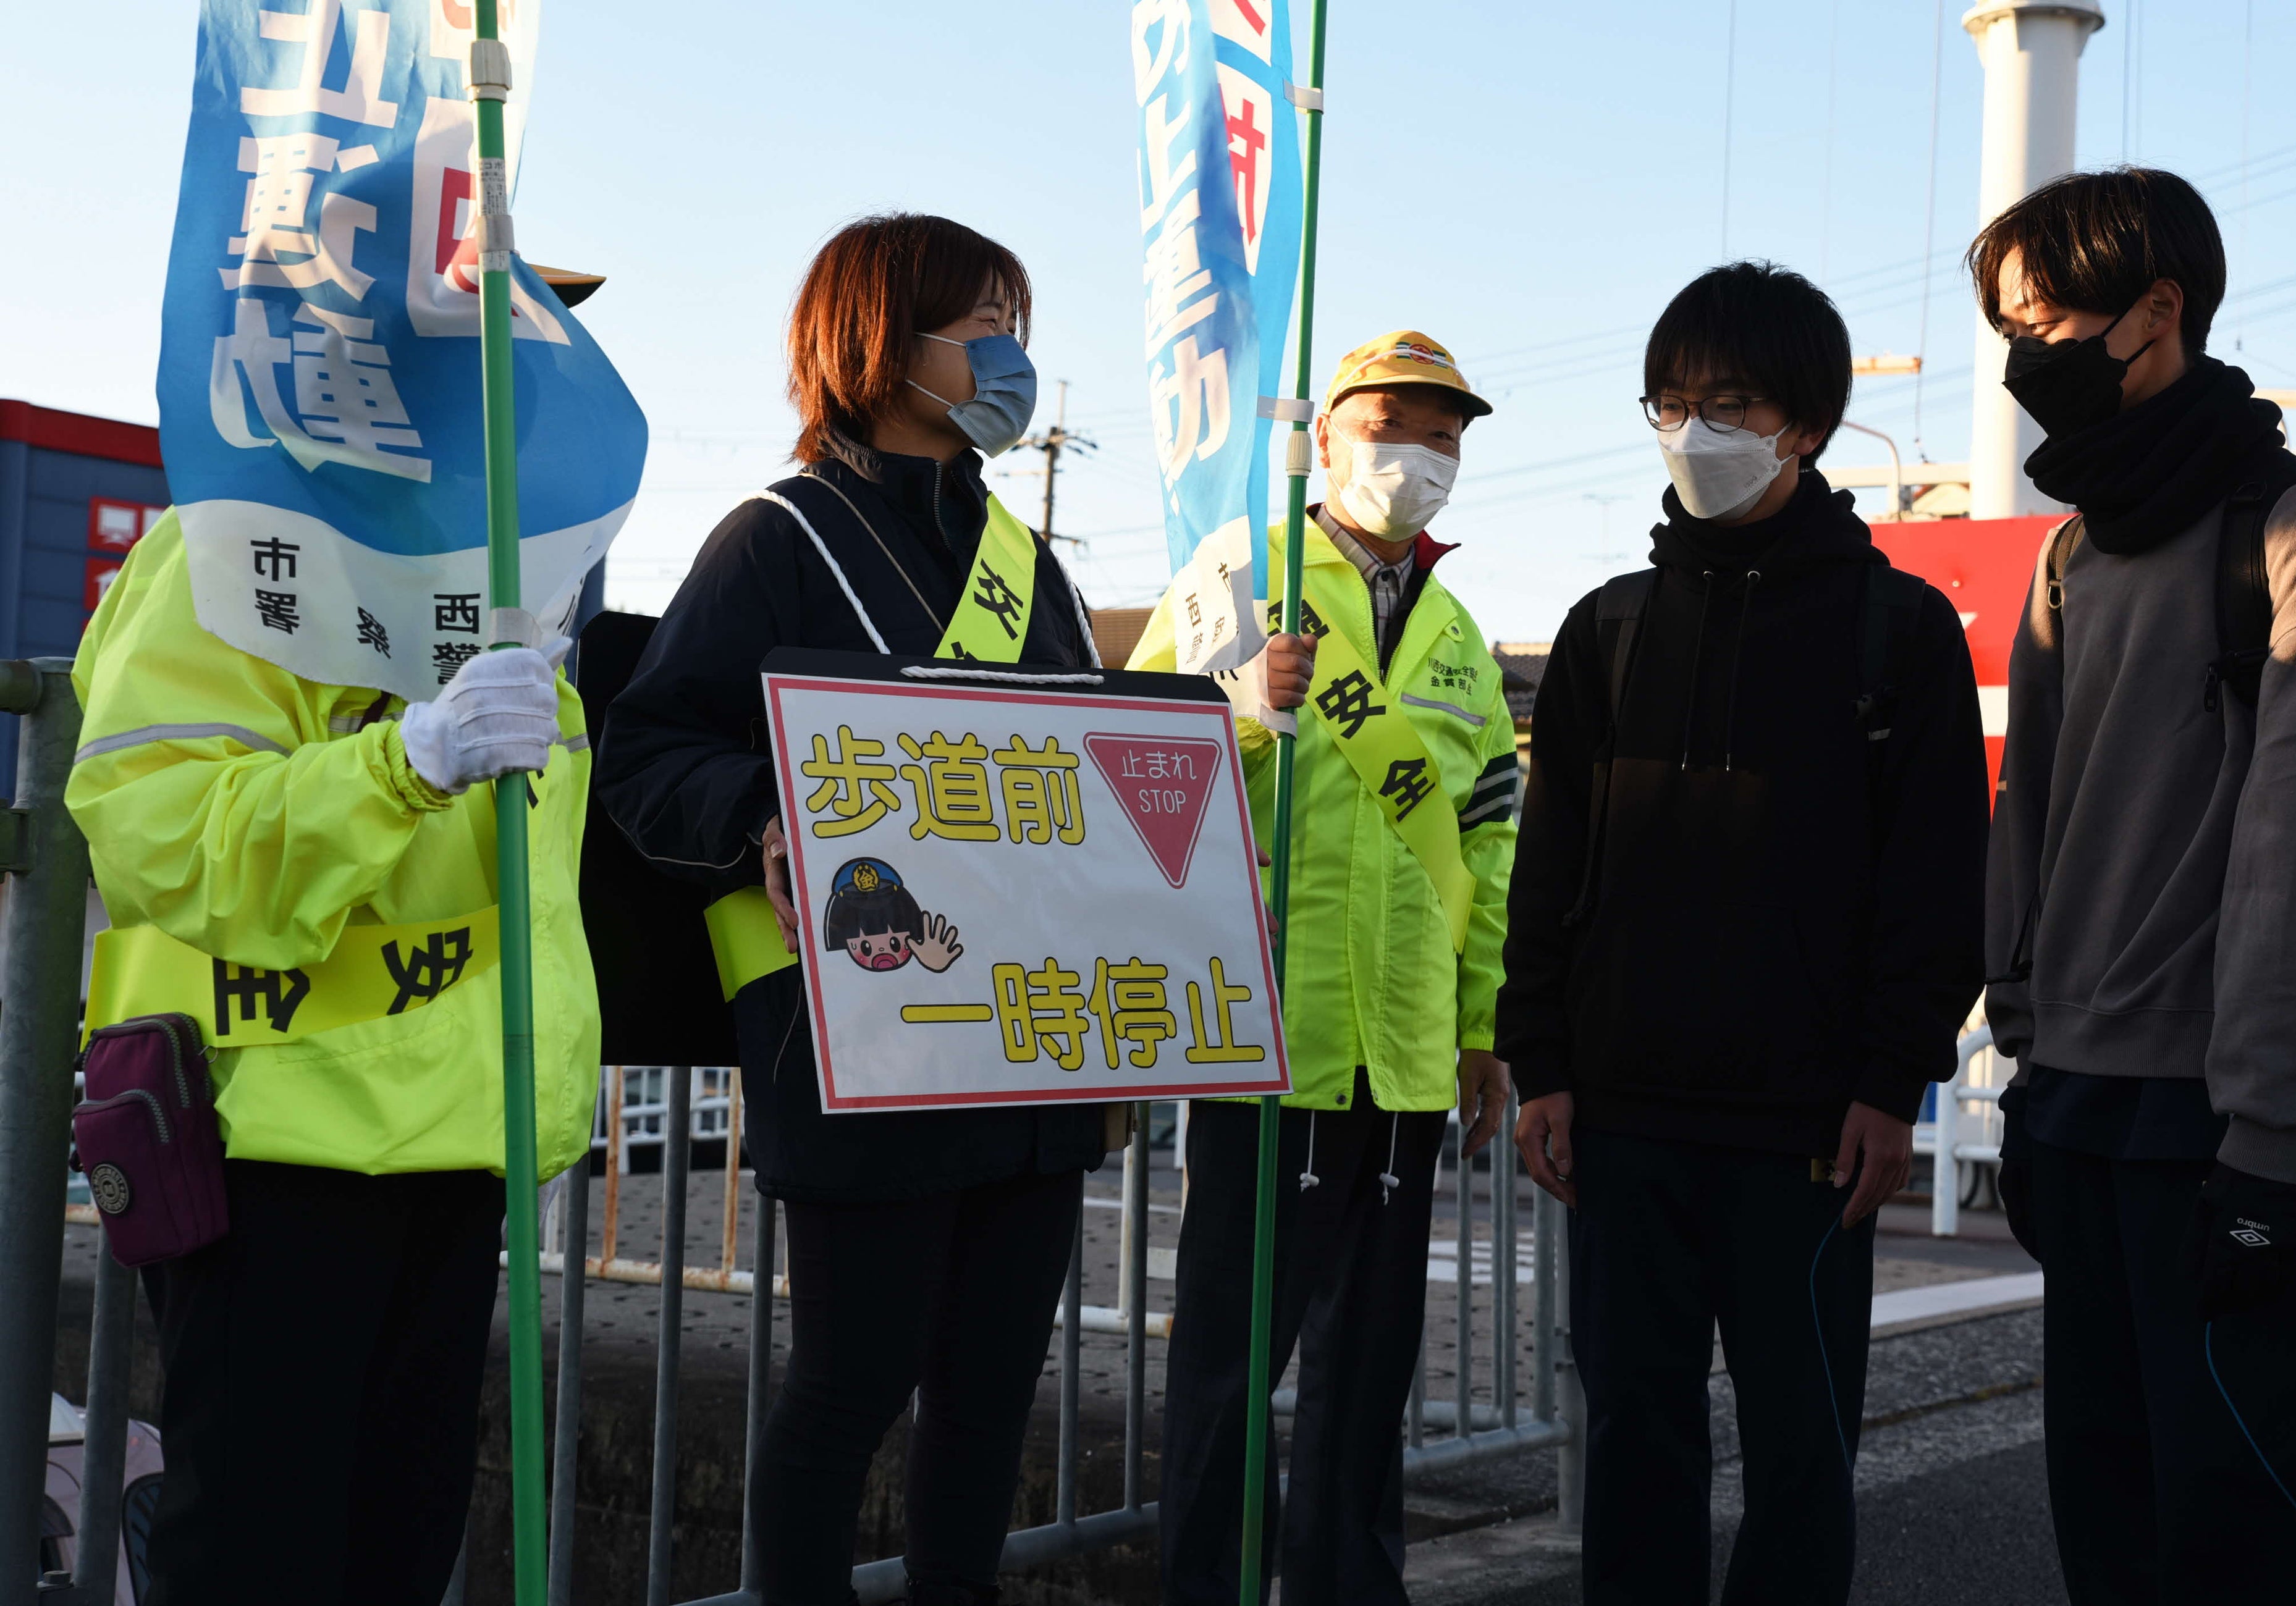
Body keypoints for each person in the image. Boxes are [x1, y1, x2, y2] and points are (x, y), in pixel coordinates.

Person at [594, 212, 1105, 1606]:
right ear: (879, 340)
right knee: (851, 1385)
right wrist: (765, 814)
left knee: (994, 1393)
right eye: (984, 324)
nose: (1011, 356)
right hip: (854, 1036)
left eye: (1019, 323)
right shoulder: (774, 537)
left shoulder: (1028, 562)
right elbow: (646, 752)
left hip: (1031, 1039)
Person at [1498, 262, 1988, 1605]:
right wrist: (1540, 1057)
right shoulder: (1609, 628)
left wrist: (1896, 1081)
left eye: (1731, 402)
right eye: (1671, 401)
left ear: (1808, 425)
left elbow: (1940, 883)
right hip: (1624, 1120)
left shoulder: (1902, 630)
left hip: (1809, 1131)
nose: (1694, 429)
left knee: (1801, 1449)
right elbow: (1551, 866)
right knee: (1637, 1438)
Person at [1973, 167, 2296, 1605]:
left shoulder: (2288, 527)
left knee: (2258, 1527)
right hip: (2078, 1106)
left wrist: (2278, 1142)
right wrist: (2025, 1052)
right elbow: (2029, 814)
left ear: (2159, 311)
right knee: (2112, 1514)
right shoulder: (2070, 546)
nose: (2028, 355)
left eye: (2049, 319)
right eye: (2009, 326)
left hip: (2225, 1124)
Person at [69, 468, 595, 1593]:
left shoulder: (503, 577)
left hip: (451, 1136)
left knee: (399, 1545)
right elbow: (157, 832)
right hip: (270, 1138)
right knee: (262, 1554)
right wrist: (404, 763)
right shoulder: (228, 550)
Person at [1129, 330, 1519, 1606]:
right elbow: (1122, 768)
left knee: (1369, 1369)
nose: (1422, 454)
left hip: (1403, 1062)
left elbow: (1491, 842)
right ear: (1332, 431)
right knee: (1232, 1372)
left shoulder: (1460, 633)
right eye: (1397, 423)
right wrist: (1235, 706)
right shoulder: (1236, 576)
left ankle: (1354, 1587)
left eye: (1447, 432)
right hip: (1263, 1043)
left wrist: (1483, 1026)